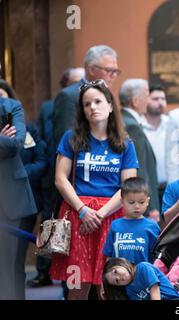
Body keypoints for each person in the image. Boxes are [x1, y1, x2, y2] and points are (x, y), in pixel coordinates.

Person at [49, 79, 139, 300]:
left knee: (108, 285)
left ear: (110, 106)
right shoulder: (71, 138)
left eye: (98, 102)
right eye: (87, 104)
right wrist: (83, 210)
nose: (92, 108)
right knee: (77, 284)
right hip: (78, 216)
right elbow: (60, 179)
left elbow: (127, 187)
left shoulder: (125, 144)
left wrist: (100, 213)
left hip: (111, 216)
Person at [27, 67, 84, 288]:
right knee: (53, 220)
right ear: (65, 83)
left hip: (73, 175)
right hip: (56, 170)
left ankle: (62, 278)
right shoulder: (52, 105)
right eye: (76, 81)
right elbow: (44, 136)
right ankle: (45, 270)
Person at [0, 79, 48, 297]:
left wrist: (6, 143)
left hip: (12, 197)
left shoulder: (12, 107)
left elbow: (15, 144)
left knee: (11, 262)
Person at [53, 45, 121, 147]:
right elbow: (65, 142)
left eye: (115, 71)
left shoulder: (108, 94)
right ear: (91, 70)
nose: (113, 76)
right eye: (108, 70)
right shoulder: (69, 96)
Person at [119, 79, 160, 218]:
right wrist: (150, 206)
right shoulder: (132, 126)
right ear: (136, 101)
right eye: (147, 96)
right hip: (138, 202)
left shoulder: (122, 120)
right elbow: (140, 168)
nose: (148, 101)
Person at [103, 177, 160, 264]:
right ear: (122, 202)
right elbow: (109, 256)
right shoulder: (115, 225)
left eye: (141, 202)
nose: (137, 206)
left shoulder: (152, 226)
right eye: (131, 202)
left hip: (143, 275)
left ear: (147, 201)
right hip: (119, 274)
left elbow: (157, 258)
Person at [102, 257, 179, 300]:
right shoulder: (129, 291)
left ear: (120, 262)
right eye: (117, 281)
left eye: (115, 271)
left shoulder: (143, 267)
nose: (119, 278)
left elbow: (155, 291)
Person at [142, 84, 169, 209]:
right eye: (155, 99)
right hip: (147, 188)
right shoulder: (138, 125)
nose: (160, 103)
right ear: (145, 100)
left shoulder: (170, 123)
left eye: (163, 99)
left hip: (169, 186)